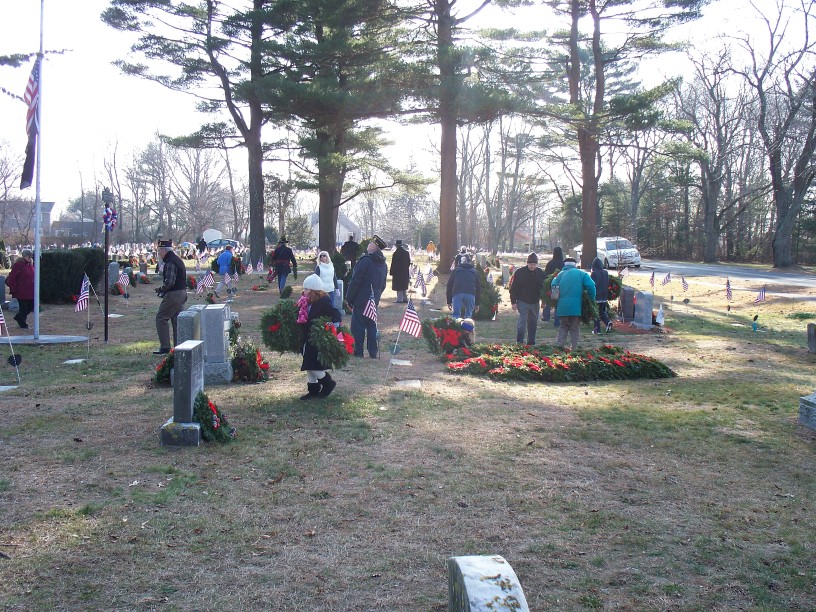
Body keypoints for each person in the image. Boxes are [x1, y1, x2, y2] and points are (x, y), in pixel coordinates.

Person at [298, 274, 343, 400]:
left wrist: (336, 325)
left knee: (311, 365)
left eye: (306, 289)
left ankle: (328, 383)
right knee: (308, 365)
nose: (304, 291)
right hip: (307, 337)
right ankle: (313, 390)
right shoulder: (306, 301)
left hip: (315, 338)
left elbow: (334, 312)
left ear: (313, 290)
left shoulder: (323, 301)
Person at [346, 235, 388, 358]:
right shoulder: (383, 264)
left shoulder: (365, 261)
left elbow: (355, 281)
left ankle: (358, 352)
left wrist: (349, 298)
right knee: (371, 325)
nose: (368, 245)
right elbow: (383, 284)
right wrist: (377, 295)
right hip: (374, 298)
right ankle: (373, 352)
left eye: (370, 244)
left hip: (362, 298)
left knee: (358, 326)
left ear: (374, 247)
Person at [551, 257, 596, 350]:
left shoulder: (560, 275)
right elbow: (591, 285)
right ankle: (574, 348)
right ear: (575, 265)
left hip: (562, 307)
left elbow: (553, 285)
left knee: (563, 326)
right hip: (575, 307)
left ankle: (559, 347)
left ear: (565, 265)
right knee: (574, 328)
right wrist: (591, 298)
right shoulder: (581, 274)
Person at [153, 240, 188, 355]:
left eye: (159, 250)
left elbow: (170, 282)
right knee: (176, 321)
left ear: (164, 250)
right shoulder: (177, 259)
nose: (158, 253)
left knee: (161, 318)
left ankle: (165, 348)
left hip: (174, 294)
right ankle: (179, 347)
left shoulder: (170, 262)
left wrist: (161, 290)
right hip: (182, 292)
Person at [509, 252, 546, 345]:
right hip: (522, 301)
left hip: (535, 302)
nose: (533, 266)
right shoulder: (520, 272)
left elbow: (543, 288)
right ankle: (519, 341)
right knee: (522, 322)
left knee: (533, 323)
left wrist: (544, 300)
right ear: (527, 263)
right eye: (531, 264)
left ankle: (531, 342)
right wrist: (513, 302)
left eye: (534, 264)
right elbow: (513, 288)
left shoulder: (540, 273)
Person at [5, 249, 35, 329]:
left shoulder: (30, 265)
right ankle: (22, 323)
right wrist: (14, 288)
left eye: (31, 256)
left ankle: (18, 317)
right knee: (24, 309)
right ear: (24, 256)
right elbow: (12, 277)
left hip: (30, 291)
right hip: (21, 291)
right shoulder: (18, 265)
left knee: (31, 306)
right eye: (28, 256)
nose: (30, 257)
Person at [541, 245, 564, 324]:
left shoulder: (550, 263)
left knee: (548, 301)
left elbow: (545, 275)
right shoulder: (563, 264)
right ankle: (557, 319)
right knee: (558, 302)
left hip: (550, 284)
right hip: (561, 285)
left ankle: (546, 316)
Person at [590, 257, 613, 334]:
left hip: (597, 295)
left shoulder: (594, 273)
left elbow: (592, 285)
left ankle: (597, 330)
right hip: (604, 295)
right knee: (602, 312)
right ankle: (608, 322)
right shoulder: (605, 272)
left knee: (595, 313)